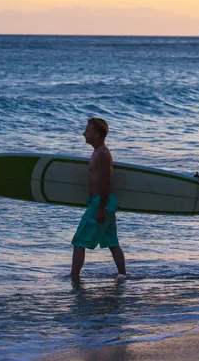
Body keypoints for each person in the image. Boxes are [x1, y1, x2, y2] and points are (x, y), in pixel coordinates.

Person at [70, 117, 126, 279]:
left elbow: (107, 182)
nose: (83, 133)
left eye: (87, 131)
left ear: (96, 135)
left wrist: (100, 208)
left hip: (101, 203)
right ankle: (123, 276)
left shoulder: (102, 154)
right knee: (112, 241)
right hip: (102, 202)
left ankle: (74, 277)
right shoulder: (97, 152)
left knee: (79, 242)